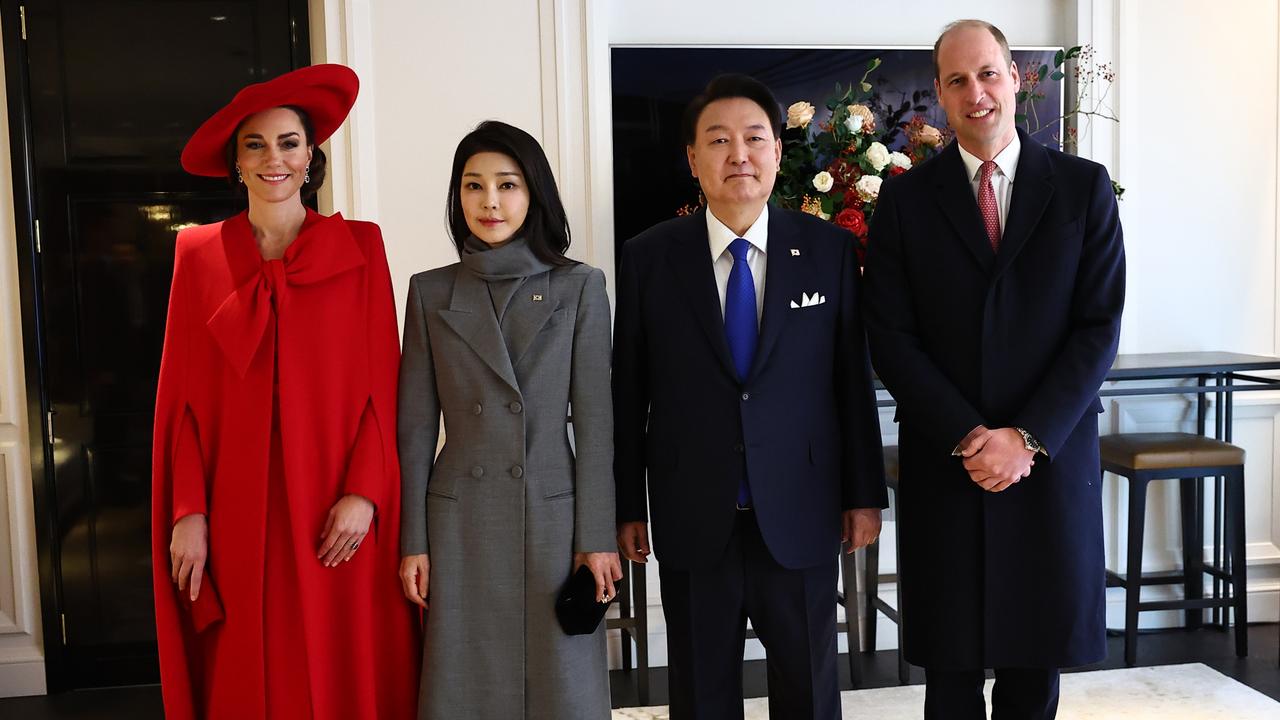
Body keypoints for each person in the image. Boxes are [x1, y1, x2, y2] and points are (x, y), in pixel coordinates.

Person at [864, 19, 1126, 720]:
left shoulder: (1083, 189)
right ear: (940, 97)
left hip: (1047, 459)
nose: (975, 91)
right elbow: (890, 335)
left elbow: (1097, 328)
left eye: (987, 73)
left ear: (1015, 78)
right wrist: (969, 435)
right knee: (949, 671)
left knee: (1031, 668)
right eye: (956, 80)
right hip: (949, 459)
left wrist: (1027, 436)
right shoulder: (906, 200)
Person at [613, 74, 887, 719]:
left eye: (754, 138)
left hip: (801, 508)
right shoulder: (649, 258)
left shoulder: (829, 251)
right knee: (702, 693)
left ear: (777, 152)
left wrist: (863, 495)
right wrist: (627, 505)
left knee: (810, 689)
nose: (739, 154)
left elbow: (852, 383)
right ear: (692, 158)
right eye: (719, 140)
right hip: (692, 510)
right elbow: (629, 391)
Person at [152, 64, 420, 720]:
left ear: (310, 158)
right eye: (256, 144)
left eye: (289, 143)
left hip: (337, 503)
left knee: (343, 657)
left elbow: (385, 383)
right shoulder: (196, 254)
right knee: (248, 668)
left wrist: (365, 492)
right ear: (235, 164)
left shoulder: (361, 246)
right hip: (237, 505)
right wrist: (189, 509)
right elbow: (180, 398)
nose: (275, 158)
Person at [397, 120, 620, 719]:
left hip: (552, 517)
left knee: (560, 689)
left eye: (507, 184)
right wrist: (412, 541)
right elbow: (415, 429)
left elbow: (597, 424)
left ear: (535, 194)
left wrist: (596, 537)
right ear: (457, 197)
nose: (489, 202)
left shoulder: (579, 287)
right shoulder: (429, 292)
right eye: (473, 186)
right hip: (460, 522)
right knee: (464, 685)